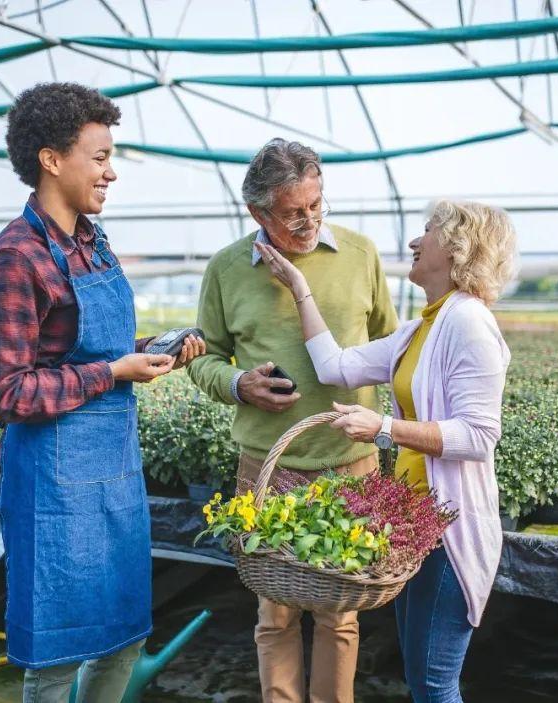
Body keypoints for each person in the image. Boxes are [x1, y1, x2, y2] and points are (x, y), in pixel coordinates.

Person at [0, 82, 205, 703]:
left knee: (121, 639)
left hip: (112, 473)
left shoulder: (92, 242)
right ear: (52, 159)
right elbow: (2, 392)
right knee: (54, 657)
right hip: (53, 485)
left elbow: (93, 352)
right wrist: (113, 373)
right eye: (99, 157)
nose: (112, 172)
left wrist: (152, 352)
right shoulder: (18, 258)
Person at [256, 199, 516, 703]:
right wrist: (299, 287)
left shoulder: (470, 323)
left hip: (451, 532)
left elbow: (479, 436)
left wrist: (385, 428)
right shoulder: (425, 327)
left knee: (436, 685)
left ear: (459, 248)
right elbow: (336, 367)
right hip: (417, 527)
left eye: (428, 232)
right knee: (422, 681)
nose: (416, 242)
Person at [187, 138, 398, 703]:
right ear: (258, 213)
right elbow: (202, 357)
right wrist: (239, 384)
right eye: (292, 211)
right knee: (274, 614)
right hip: (267, 466)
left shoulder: (360, 255)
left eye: (316, 205)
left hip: (351, 462)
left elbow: (390, 343)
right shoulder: (228, 269)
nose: (308, 221)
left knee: (340, 615)